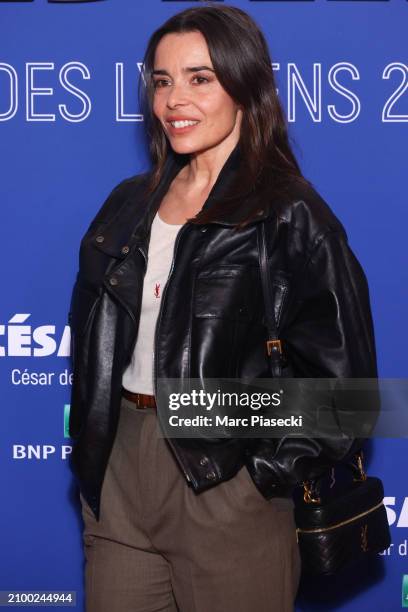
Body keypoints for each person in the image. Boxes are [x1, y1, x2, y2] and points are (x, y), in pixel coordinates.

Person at [68, 4, 378, 612]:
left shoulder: (290, 215)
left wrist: (256, 471)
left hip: (227, 481)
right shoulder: (127, 204)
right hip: (119, 466)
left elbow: (348, 394)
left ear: (245, 85)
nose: (174, 100)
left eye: (199, 78)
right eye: (162, 81)